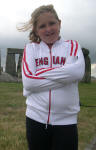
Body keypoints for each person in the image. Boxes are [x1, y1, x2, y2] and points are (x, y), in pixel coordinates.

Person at [18, 4, 85, 150]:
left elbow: (76, 73)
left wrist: (38, 77)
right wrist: (65, 77)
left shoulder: (72, 46)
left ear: (59, 23)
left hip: (66, 121)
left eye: (52, 23)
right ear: (36, 30)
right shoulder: (30, 48)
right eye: (42, 26)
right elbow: (29, 82)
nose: (48, 29)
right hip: (35, 118)